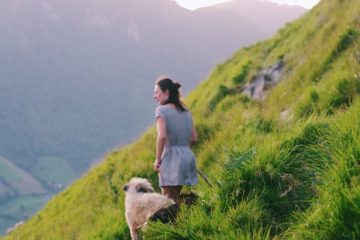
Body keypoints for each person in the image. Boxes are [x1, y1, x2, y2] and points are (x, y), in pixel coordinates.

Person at [153, 77, 198, 204]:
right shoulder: (185, 111)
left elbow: (162, 136)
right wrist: (183, 149)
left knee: (167, 203)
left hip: (170, 158)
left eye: (157, 92)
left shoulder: (161, 110)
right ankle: (183, 222)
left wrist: (158, 159)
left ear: (166, 92)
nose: (154, 96)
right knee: (176, 200)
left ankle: (171, 224)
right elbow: (194, 137)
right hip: (187, 157)